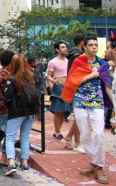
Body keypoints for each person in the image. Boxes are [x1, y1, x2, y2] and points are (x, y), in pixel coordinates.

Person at [61, 36, 113, 185]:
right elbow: (72, 81)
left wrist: (115, 105)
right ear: (84, 47)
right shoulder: (78, 62)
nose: (94, 47)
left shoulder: (102, 64)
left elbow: (108, 86)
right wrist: (89, 76)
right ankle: (96, 164)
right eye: (91, 45)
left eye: (96, 45)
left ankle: (98, 166)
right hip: (80, 101)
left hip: (97, 102)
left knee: (99, 134)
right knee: (84, 136)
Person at [0, 54, 37, 176]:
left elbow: (7, 98)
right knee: (24, 136)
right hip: (30, 111)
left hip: (16, 111)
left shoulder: (12, 79)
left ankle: (12, 162)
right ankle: (24, 162)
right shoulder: (30, 77)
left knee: (10, 137)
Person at [46, 41, 72, 140]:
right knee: (59, 111)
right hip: (58, 87)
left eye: (65, 47)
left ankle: (57, 131)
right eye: (62, 47)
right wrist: (54, 81)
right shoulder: (53, 62)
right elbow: (48, 76)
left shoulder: (68, 61)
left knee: (64, 111)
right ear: (57, 49)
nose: (65, 49)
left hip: (68, 87)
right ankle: (57, 132)